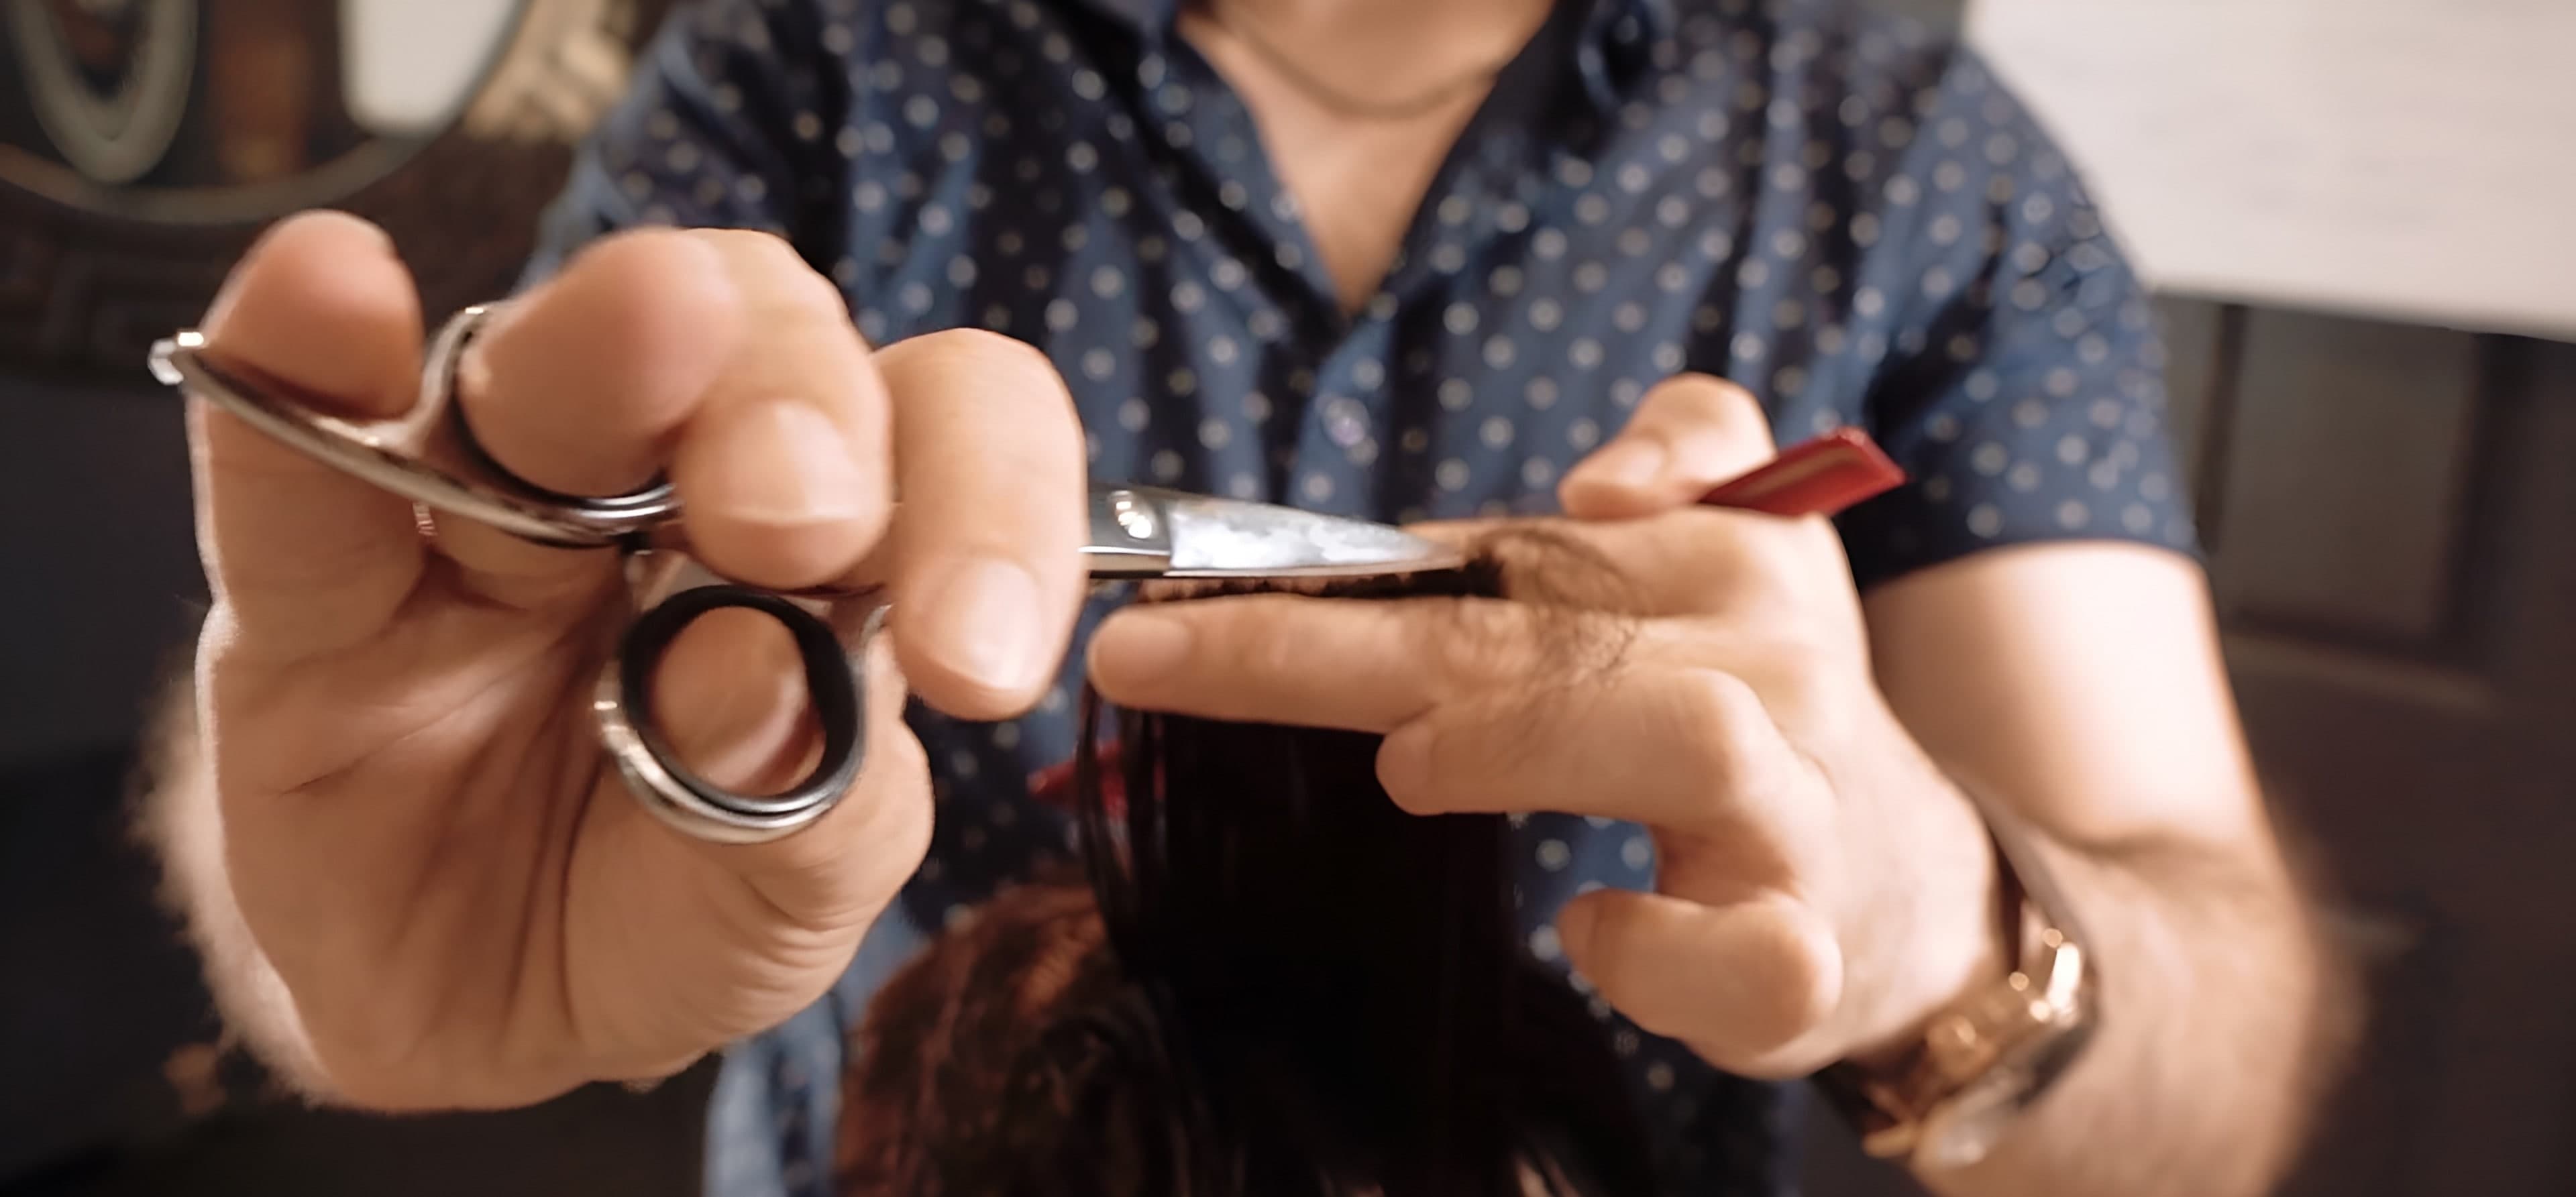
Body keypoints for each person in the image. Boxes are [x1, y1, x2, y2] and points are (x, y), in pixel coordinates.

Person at [141, 0, 2353, 1195]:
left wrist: (1945, 931)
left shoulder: (1920, 176)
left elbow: (2209, 1103)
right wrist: (347, 910)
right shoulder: (817, 68)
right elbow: (472, 681)